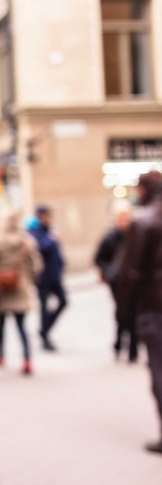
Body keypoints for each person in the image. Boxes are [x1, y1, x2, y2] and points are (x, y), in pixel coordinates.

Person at [116, 170, 162, 454]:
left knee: (159, 369)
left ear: (144, 190)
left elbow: (130, 273)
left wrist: (123, 312)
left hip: (154, 307)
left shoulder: (144, 222)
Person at [0, 209, 43, 375]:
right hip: (21, 286)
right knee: (21, 326)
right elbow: (36, 265)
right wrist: (27, 278)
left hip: (0, 286)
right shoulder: (26, 241)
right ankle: (27, 359)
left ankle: (0, 355)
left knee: (0, 324)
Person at [94, 202, 138, 362]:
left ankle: (133, 349)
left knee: (133, 314)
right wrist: (109, 271)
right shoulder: (110, 237)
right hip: (117, 282)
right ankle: (119, 344)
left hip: (133, 282)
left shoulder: (137, 235)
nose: (124, 222)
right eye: (122, 218)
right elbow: (99, 258)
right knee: (122, 313)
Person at [28, 204, 67, 351]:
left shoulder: (50, 230)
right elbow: (42, 248)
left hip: (55, 275)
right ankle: (44, 336)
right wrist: (51, 239)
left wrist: (62, 264)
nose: (49, 218)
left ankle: (44, 329)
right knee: (43, 307)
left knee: (63, 302)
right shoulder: (34, 232)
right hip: (43, 277)